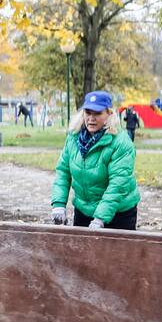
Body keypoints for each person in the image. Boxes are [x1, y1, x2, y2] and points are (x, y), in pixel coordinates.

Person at [51, 91, 140, 230]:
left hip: (118, 213)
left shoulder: (121, 143)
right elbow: (63, 171)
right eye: (88, 112)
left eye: (97, 113)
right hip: (84, 210)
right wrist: (58, 204)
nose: (91, 118)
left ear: (109, 114)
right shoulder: (73, 138)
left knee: (115, 252)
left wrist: (100, 218)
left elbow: (118, 184)